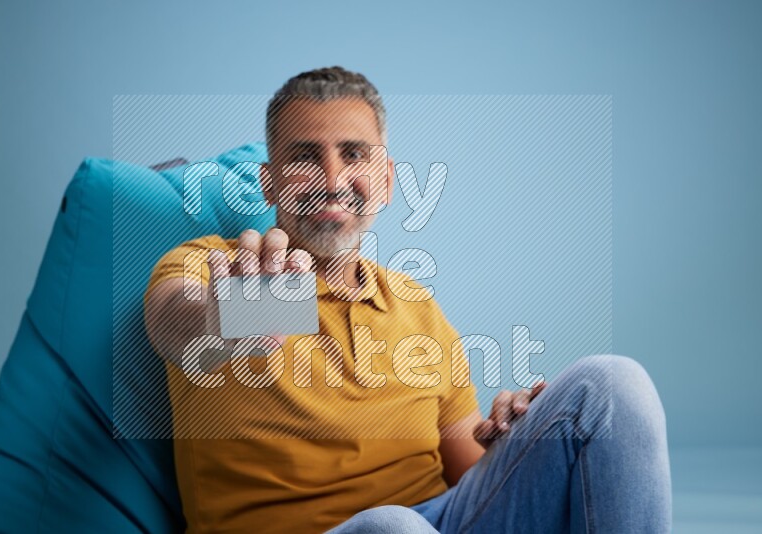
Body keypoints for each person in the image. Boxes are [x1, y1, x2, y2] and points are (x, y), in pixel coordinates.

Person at [143, 66, 671, 533]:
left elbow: (471, 475)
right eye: (305, 157)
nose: (332, 179)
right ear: (269, 184)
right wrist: (237, 313)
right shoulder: (213, 263)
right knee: (391, 526)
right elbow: (173, 324)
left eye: (354, 155)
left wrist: (513, 440)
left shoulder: (416, 306)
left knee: (611, 384)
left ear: (386, 181)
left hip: (440, 520)